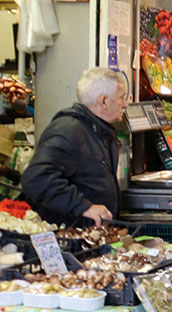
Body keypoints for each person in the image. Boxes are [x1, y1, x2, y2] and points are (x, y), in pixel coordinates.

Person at [22, 68, 126, 226]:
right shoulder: (68, 130)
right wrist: (84, 206)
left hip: (95, 236)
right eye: (121, 98)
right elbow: (36, 178)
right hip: (72, 238)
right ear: (104, 101)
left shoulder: (99, 130)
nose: (125, 104)